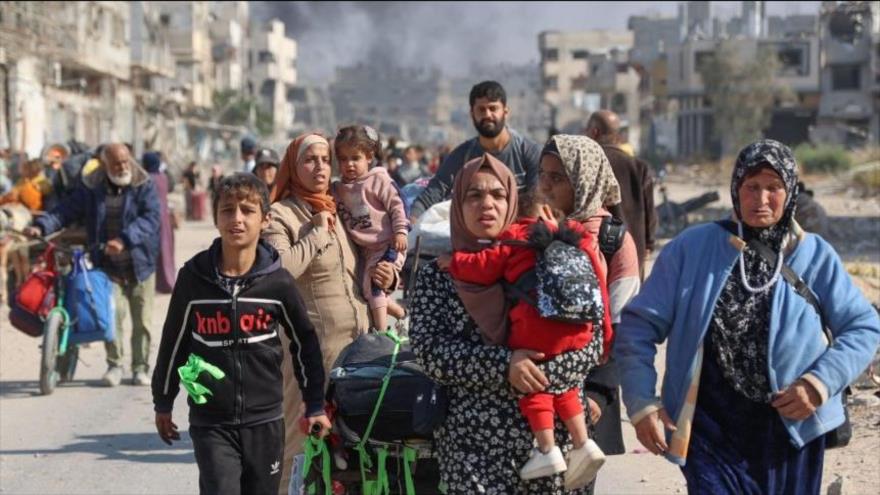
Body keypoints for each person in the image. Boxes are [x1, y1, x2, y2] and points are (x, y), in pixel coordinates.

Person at [615, 140, 880, 495]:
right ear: (735, 189)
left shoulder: (815, 255)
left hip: (792, 428)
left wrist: (818, 385)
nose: (762, 199)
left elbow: (863, 326)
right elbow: (638, 326)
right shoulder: (691, 248)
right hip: (711, 427)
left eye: (774, 187)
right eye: (752, 187)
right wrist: (641, 401)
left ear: (791, 192)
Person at [408, 154, 602, 494]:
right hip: (474, 451)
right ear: (458, 204)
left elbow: (592, 338)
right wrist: (505, 366)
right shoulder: (437, 273)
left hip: (556, 450)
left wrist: (541, 370)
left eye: (498, 195)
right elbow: (429, 351)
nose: (487, 204)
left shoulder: (550, 256)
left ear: (512, 200)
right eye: (474, 195)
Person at [151, 172, 331, 495]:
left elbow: (305, 343)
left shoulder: (277, 282)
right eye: (227, 209)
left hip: (265, 420)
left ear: (265, 219)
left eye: (247, 210)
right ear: (215, 217)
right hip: (211, 421)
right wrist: (163, 401)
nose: (237, 219)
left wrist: (314, 403)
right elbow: (173, 342)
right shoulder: (194, 279)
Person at [261, 132, 398, 492]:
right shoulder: (281, 215)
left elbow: (369, 256)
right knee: (301, 442)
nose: (320, 166)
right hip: (310, 355)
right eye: (310, 160)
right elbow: (279, 271)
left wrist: (389, 273)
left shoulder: (340, 207)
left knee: (354, 449)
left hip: (356, 351)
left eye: (325, 159)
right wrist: (318, 233)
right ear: (294, 165)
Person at [537, 134, 642, 483]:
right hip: (532, 385)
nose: (547, 187)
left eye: (558, 178)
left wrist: (599, 391)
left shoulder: (613, 241)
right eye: (543, 175)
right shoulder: (531, 229)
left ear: (584, 179)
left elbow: (623, 323)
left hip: (586, 391)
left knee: (575, 481)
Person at [26, 143, 161, 387]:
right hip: (108, 265)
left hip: (140, 264)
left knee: (142, 321)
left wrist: (124, 239)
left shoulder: (144, 184)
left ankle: (140, 367)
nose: (122, 167)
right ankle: (115, 365)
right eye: (116, 163)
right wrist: (42, 226)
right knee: (113, 318)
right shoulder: (91, 188)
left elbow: (151, 219)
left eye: (125, 162)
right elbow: (64, 211)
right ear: (105, 164)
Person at [410, 80, 542, 220]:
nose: (487, 115)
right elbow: (432, 194)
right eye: (481, 109)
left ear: (505, 111)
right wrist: (410, 224)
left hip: (518, 232)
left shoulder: (528, 152)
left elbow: (538, 201)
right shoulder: (463, 156)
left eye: (493, 108)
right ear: (472, 113)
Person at [332, 125, 408, 331]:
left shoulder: (379, 180)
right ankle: (400, 313)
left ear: (368, 157)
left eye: (355, 158)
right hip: (365, 250)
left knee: (375, 284)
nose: (349, 164)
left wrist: (401, 231)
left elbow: (398, 205)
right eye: (343, 159)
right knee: (365, 290)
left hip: (387, 245)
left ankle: (381, 334)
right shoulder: (338, 189)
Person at [585, 110, 657, 280]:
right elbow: (650, 212)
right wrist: (649, 243)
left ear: (594, 132)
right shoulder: (639, 166)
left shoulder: (588, 164)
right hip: (633, 251)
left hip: (597, 252)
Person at [142, 152, 176, 294]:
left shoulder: (148, 179)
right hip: (165, 218)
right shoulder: (163, 177)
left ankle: (162, 284)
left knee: (157, 252)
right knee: (167, 250)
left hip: (153, 218)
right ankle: (169, 281)